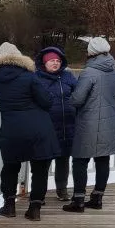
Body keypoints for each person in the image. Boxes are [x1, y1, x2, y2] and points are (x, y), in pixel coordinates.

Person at [0, 42, 60, 222]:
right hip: (38, 129)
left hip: (12, 129)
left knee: (10, 167)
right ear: (20, 58)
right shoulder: (30, 77)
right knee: (40, 168)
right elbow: (46, 101)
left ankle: (9, 205)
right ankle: (34, 208)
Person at [65, 37, 115, 212]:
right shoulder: (114, 72)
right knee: (103, 159)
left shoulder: (89, 72)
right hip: (110, 120)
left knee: (80, 160)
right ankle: (97, 198)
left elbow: (77, 99)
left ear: (91, 52)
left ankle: (79, 200)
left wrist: (69, 98)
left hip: (88, 122)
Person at [34, 46, 77, 201]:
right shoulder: (36, 78)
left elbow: (77, 93)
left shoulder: (68, 77)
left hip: (67, 126)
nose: (55, 63)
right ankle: (40, 193)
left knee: (63, 160)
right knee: (43, 162)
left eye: (58, 61)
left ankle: (62, 189)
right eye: (52, 60)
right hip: (46, 127)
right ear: (44, 63)